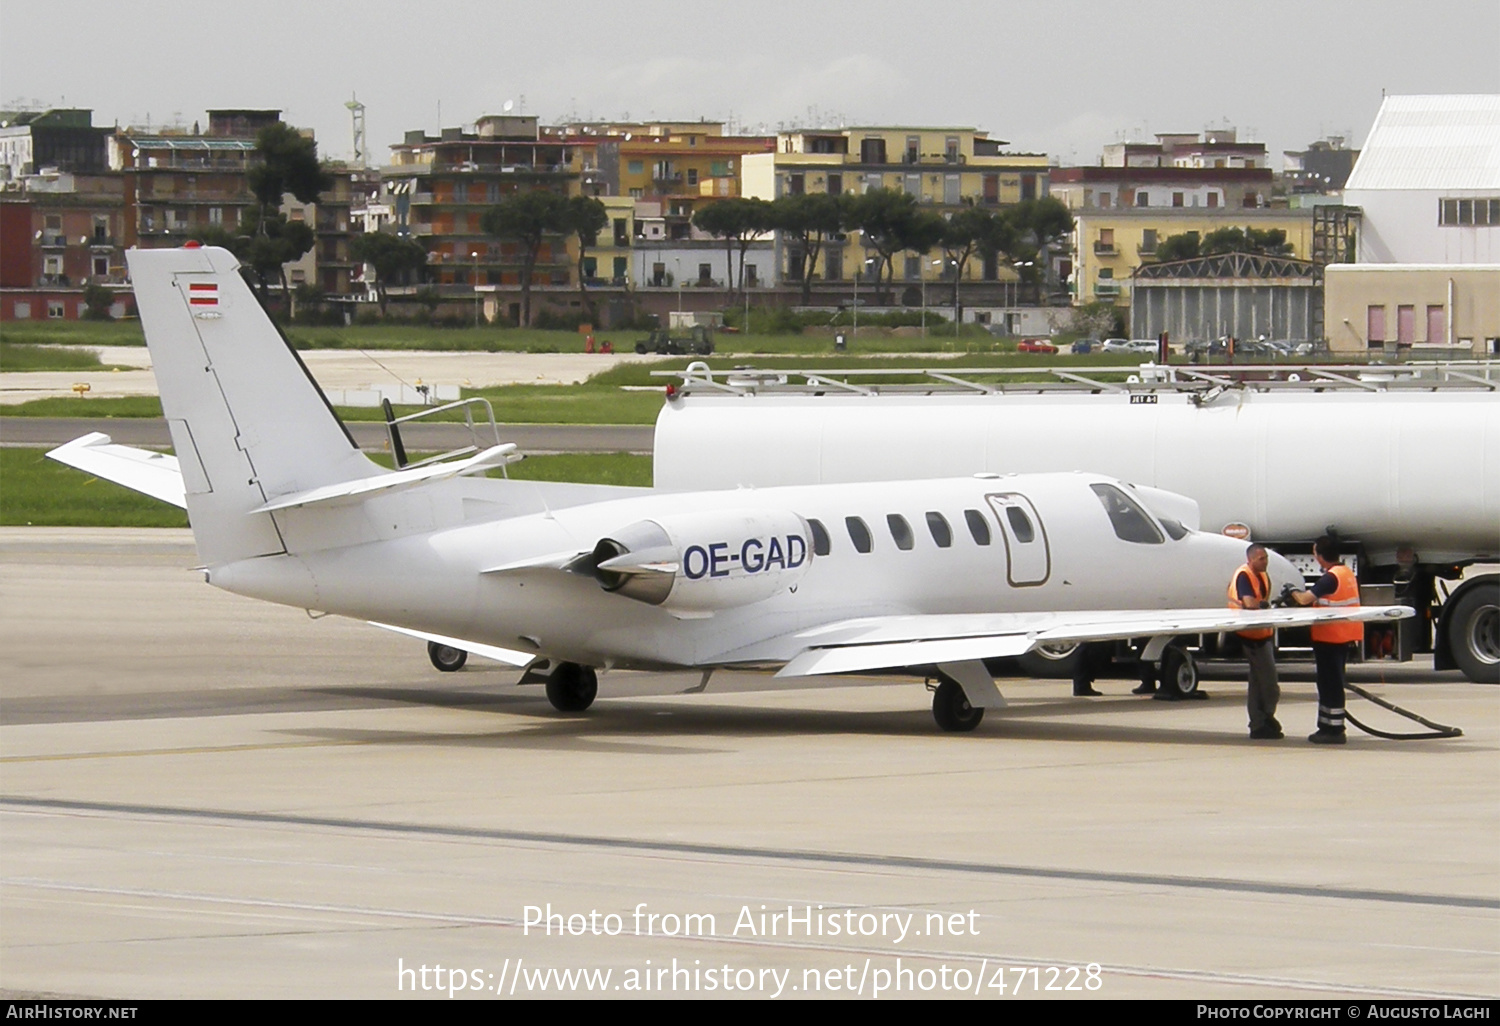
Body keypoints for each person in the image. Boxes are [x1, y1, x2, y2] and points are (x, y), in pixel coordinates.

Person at [1290, 535, 1362, 745]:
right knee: (1333, 684)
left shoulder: (1331, 577)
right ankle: (1330, 725)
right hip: (1342, 637)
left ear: (1320, 556)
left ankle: (1332, 730)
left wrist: (1292, 591)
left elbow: (1305, 599)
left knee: (1329, 686)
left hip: (1330, 638)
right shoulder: (1346, 573)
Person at [1229, 543, 1282, 739]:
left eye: (1266, 558)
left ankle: (1260, 723)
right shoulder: (1244, 575)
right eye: (1261, 559)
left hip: (1262, 635)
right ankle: (1263, 719)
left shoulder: (1262, 575)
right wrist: (1265, 605)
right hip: (1250, 636)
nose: (1265, 561)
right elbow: (1250, 603)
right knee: (1268, 684)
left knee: (1259, 683)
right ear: (1250, 560)